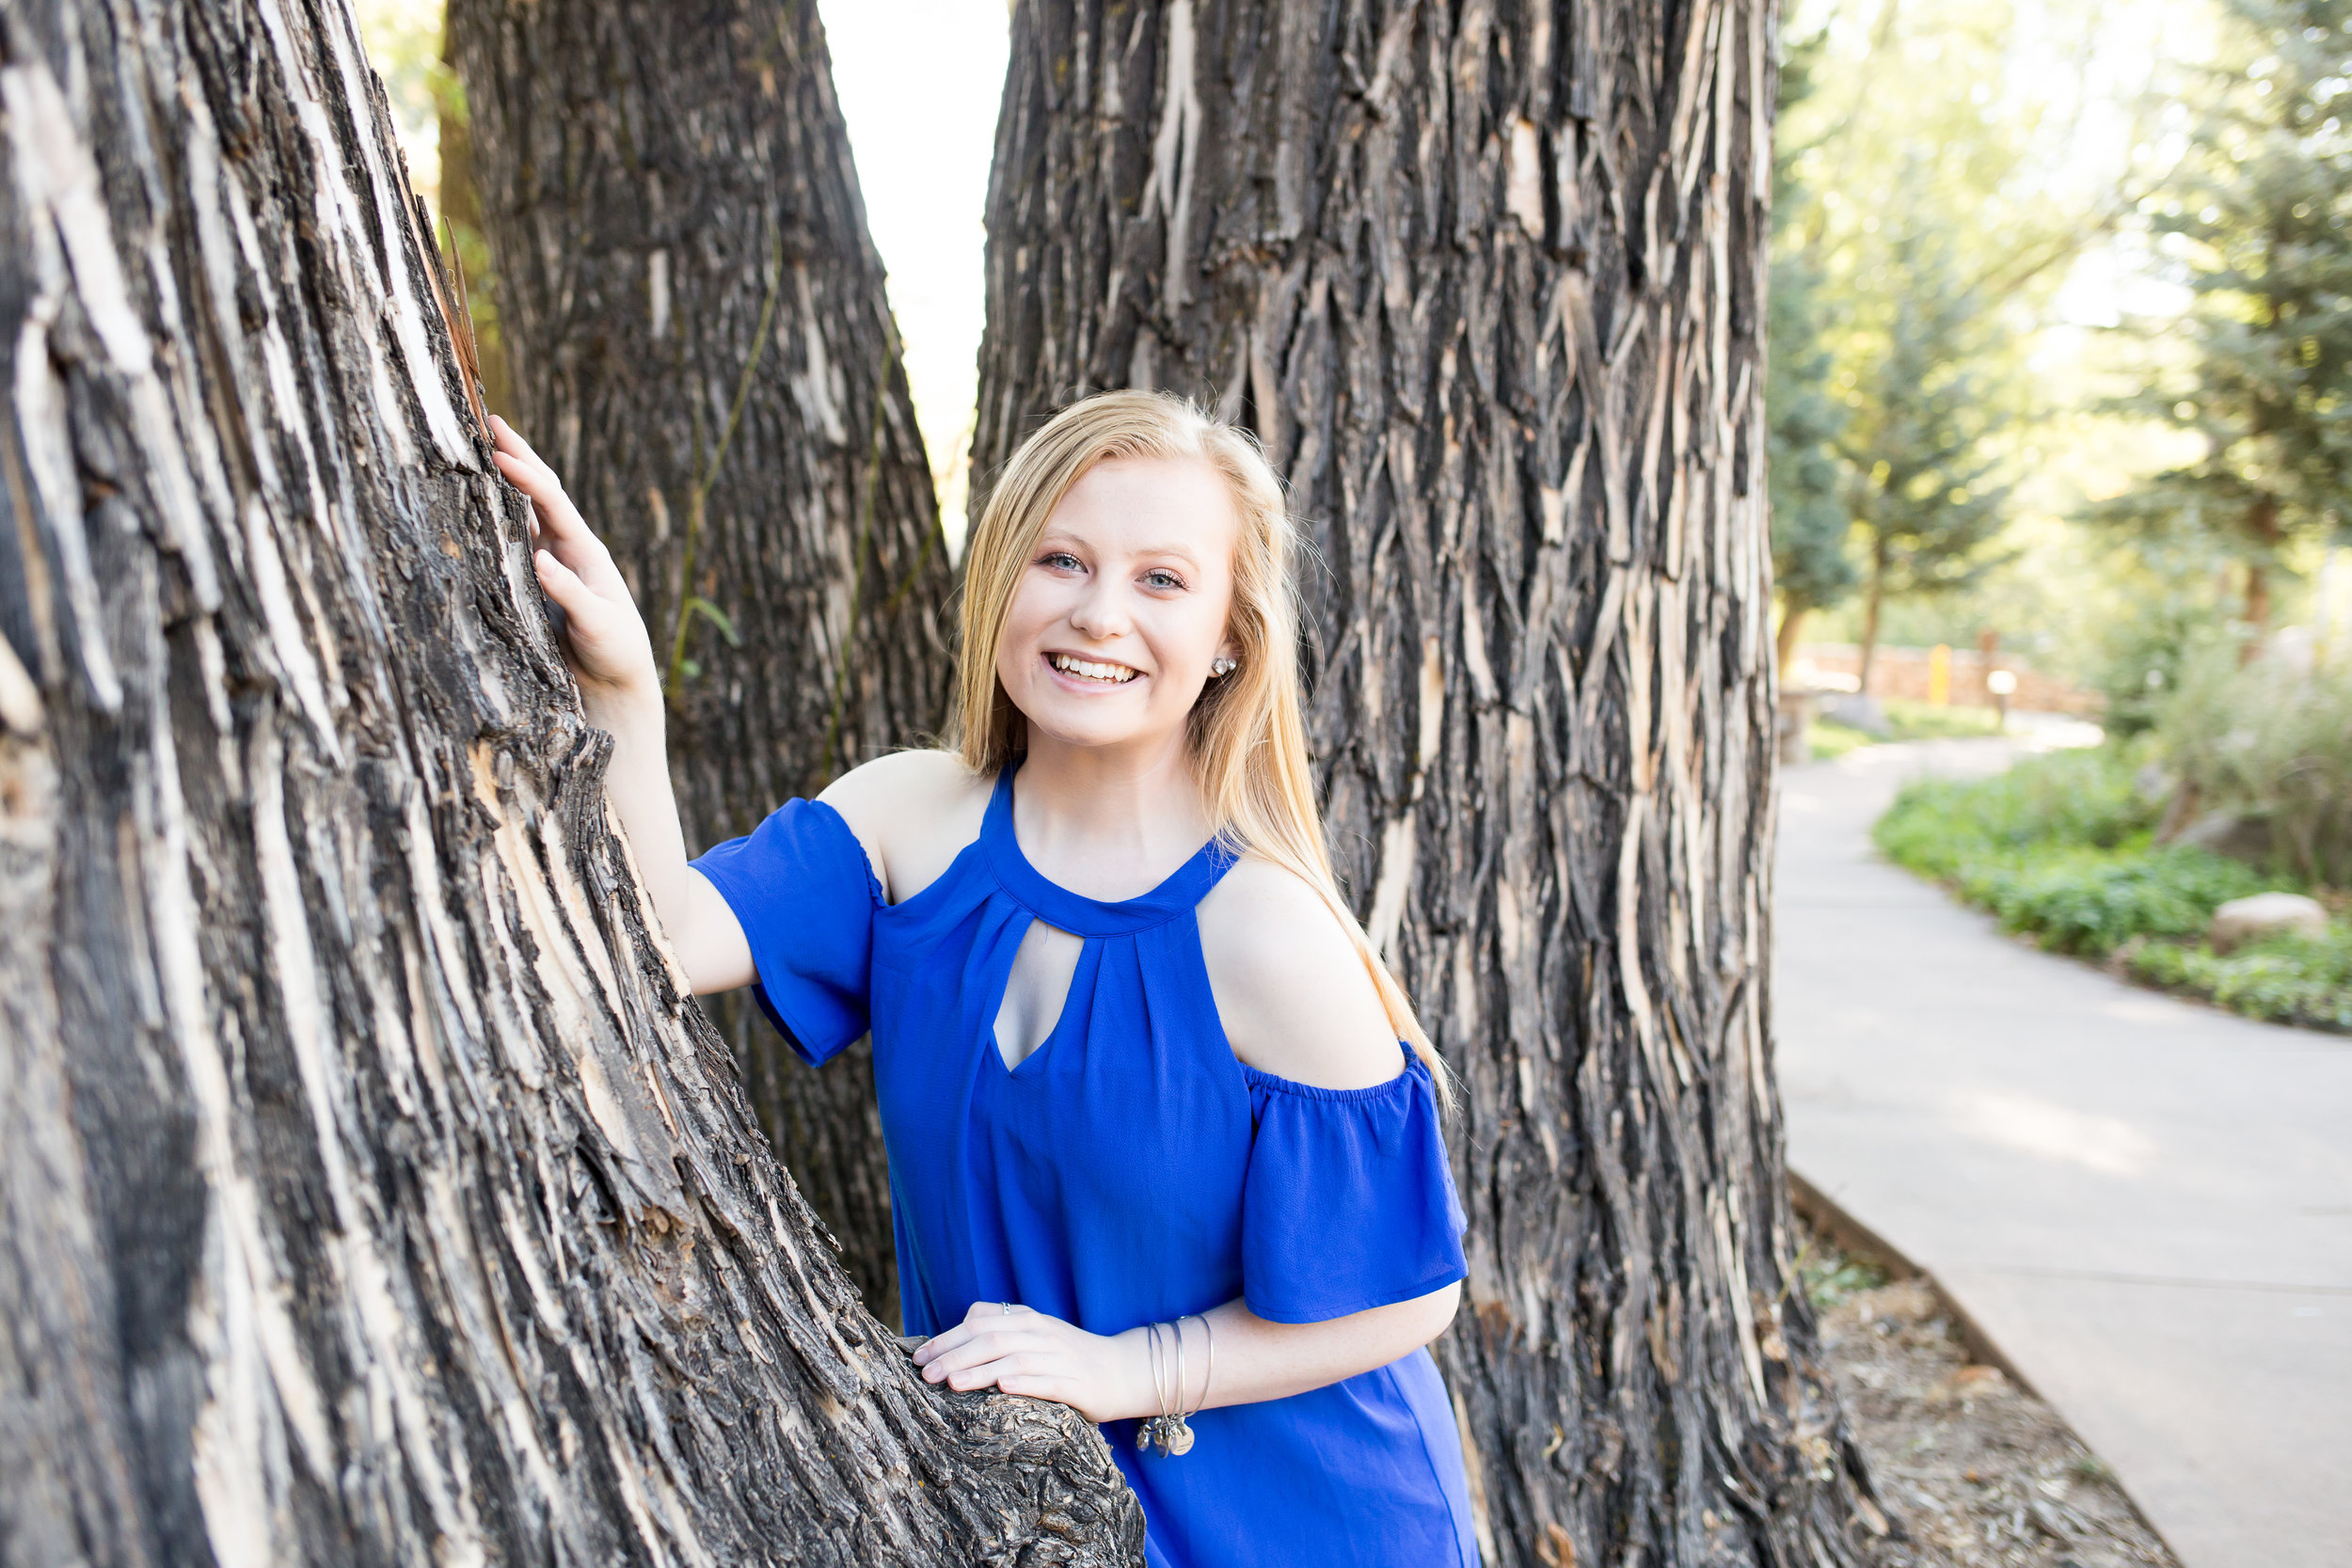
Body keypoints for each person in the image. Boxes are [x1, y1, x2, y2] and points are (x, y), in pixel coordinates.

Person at [491, 390, 1479, 1568]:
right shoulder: (909, 819)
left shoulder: (1263, 927)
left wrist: (1131, 1369)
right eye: (1062, 559)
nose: (1099, 612)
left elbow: (1410, 1296)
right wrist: (624, 694)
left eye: (1162, 580)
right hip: (1028, 1518)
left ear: (1230, 635)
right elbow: (654, 941)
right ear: (1004, 578)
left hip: (1309, 1521)